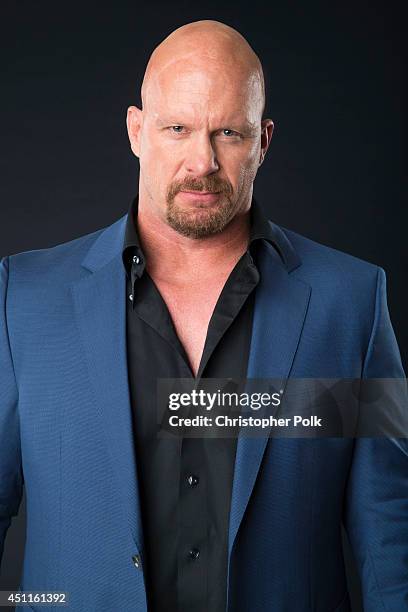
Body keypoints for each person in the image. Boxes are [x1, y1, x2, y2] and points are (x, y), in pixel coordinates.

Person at [0, 19, 406, 612]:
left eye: (228, 133)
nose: (203, 160)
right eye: (177, 128)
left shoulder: (353, 303)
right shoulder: (21, 299)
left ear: (263, 141)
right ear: (137, 131)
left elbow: (391, 532)